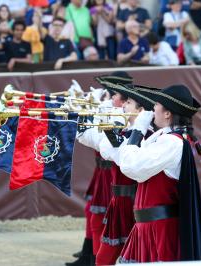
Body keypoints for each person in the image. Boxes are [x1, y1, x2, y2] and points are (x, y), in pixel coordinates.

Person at [115, 84, 201, 263]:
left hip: (160, 230)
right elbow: (125, 160)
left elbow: (132, 167)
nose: (153, 109)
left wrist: (138, 129)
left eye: (156, 104)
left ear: (167, 114)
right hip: (148, 226)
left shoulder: (171, 143)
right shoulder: (161, 138)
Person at [66, 72, 131, 266]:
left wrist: (88, 109)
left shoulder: (120, 117)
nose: (109, 99)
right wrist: (82, 106)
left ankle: (92, 258)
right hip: (104, 172)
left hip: (112, 174)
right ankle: (90, 255)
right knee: (93, 215)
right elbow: (90, 137)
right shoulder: (110, 110)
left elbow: (99, 142)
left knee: (98, 219)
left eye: (113, 95)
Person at [95, 82, 156, 266]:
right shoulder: (125, 131)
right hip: (119, 201)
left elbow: (126, 163)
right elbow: (105, 151)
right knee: (106, 257)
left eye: (128, 102)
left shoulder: (147, 136)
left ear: (141, 111)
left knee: (116, 256)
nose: (122, 105)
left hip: (133, 202)